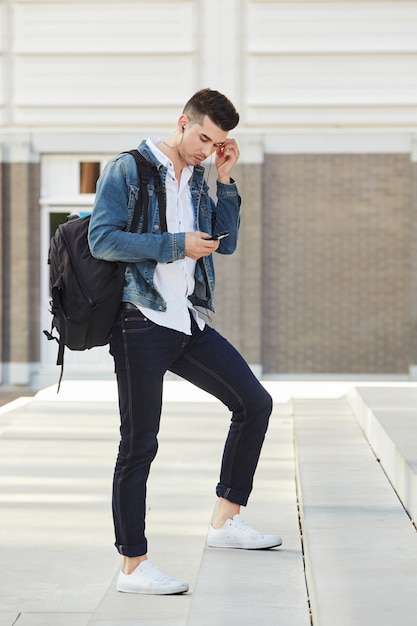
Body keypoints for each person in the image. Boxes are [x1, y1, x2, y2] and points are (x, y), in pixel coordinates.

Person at [88, 88, 282, 596]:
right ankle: (133, 566)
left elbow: (228, 241)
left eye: (217, 143)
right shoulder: (128, 168)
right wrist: (175, 245)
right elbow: (102, 239)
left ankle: (226, 521)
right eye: (203, 138)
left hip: (187, 321)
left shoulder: (200, 174)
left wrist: (224, 179)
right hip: (140, 320)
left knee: (254, 402)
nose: (205, 149)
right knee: (139, 445)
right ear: (182, 122)